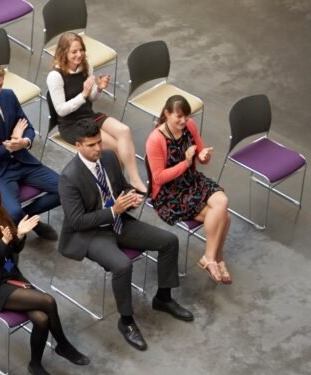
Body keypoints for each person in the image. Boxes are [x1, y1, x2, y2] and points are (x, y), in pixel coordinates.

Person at [58, 119, 193, 352]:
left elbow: (120, 188)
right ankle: (127, 321)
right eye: (91, 145)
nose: (98, 148)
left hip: (118, 220)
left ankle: (163, 297)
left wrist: (132, 197)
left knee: (169, 241)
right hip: (91, 234)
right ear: (78, 145)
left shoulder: (109, 158)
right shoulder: (69, 177)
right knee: (122, 266)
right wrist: (113, 210)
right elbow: (77, 221)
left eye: (99, 142)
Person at [0, 177, 89, 375]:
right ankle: (63, 345)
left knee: (42, 319)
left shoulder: (1, 214)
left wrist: (19, 236)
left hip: (11, 274)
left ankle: (35, 365)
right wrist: (4, 241)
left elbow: (16, 250)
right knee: (48, 301)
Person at [0, 60, 59, 240]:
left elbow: (27, 127)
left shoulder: (8, 96)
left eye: (0, 86)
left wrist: (24, 141)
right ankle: (28, 222)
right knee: (13, 213)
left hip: (22, 160)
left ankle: (26, 217)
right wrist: (9, 146)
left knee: (66, 189)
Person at [146, 95, 232, 284]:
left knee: (222, 202)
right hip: (170, 192)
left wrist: (203, 156)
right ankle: (217, 258)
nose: (183, 121)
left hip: (191, 181)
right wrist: (186, 162)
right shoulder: (155, 139)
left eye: (186, 116)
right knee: (224, 217)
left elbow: (201, 157)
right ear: (167, 114)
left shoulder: (190, 126)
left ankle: (209, 257)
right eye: (179, 117)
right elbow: (158, 177)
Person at [47, 32, 147, 194]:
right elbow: (61, 110)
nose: (79, 55)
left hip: (88, 115)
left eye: (81, 50)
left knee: (124, 131)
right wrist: (83, 95)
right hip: (71, 124)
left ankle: (134, 180)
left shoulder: (86, 65)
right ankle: (116, 187)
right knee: (115, 148)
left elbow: (91, 98)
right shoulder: (55, 76)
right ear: (63, 53)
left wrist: (98, 89)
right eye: (74, 52)